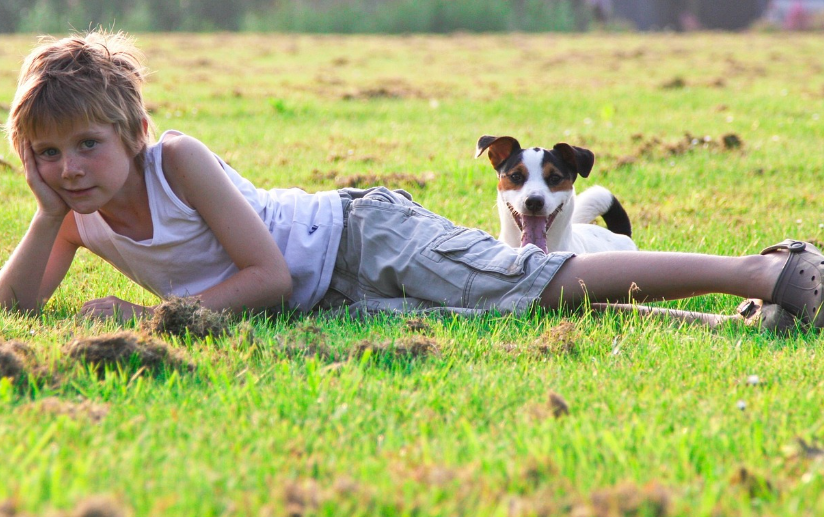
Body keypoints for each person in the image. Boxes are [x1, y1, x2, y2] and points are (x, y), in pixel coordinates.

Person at [2, 30, 823, 330]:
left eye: (87, 145)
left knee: (529, 279)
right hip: (332, 299)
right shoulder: (79, 217)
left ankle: (773, 268)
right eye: (46, 155)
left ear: (133, 133)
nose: (69, 168)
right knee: (508, 311)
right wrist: (44, 217)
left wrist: (152, 317)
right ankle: (742, 323)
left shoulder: (176, 159)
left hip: (360, 237)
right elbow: (16, 308)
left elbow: (268, 274)